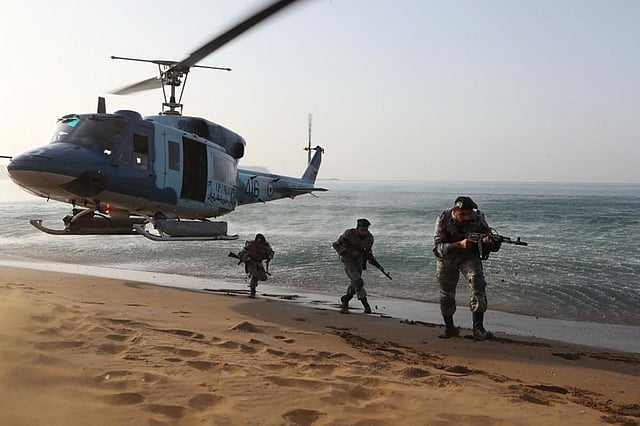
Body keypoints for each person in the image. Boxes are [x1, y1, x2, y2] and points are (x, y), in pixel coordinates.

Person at [433, 196, 501, 341]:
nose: (467, 217)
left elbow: (489, 241)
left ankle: (478, 328)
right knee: (446, 292)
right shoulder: (444, 219)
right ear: (455, 211)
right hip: (447, 258)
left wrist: (490, 243)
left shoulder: (478, 218)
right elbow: (438, 247)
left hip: (469, 256)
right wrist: (459, 244)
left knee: (478, 284)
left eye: (470, 213)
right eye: (462, 214)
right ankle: (449, 327)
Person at [332, 218, 375, 314]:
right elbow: (336, 245)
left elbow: (368, 251)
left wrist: (370, 259)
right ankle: (366, 305)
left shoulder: (369, 237)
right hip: (348, 260)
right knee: (358, 281)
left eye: (366, 230)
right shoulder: (349, 234)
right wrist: (350, 251)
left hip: (359, 261)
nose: (364, 232)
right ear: (357, 228)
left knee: (355, 282)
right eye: (362, 230)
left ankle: (346, 299)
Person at [237, 233, 274, 297]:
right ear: (256, 241)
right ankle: (252, 290)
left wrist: (268, 258)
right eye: (259, 242)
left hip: (258, 263)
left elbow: (271, 252)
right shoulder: (250, 245)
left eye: (261, 243)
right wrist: (247, 259)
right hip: (250, 263)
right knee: (255, 276)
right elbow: (241, 253)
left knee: (263, 278)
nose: (260, 244)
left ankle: (251, 280)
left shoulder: (265, 246)